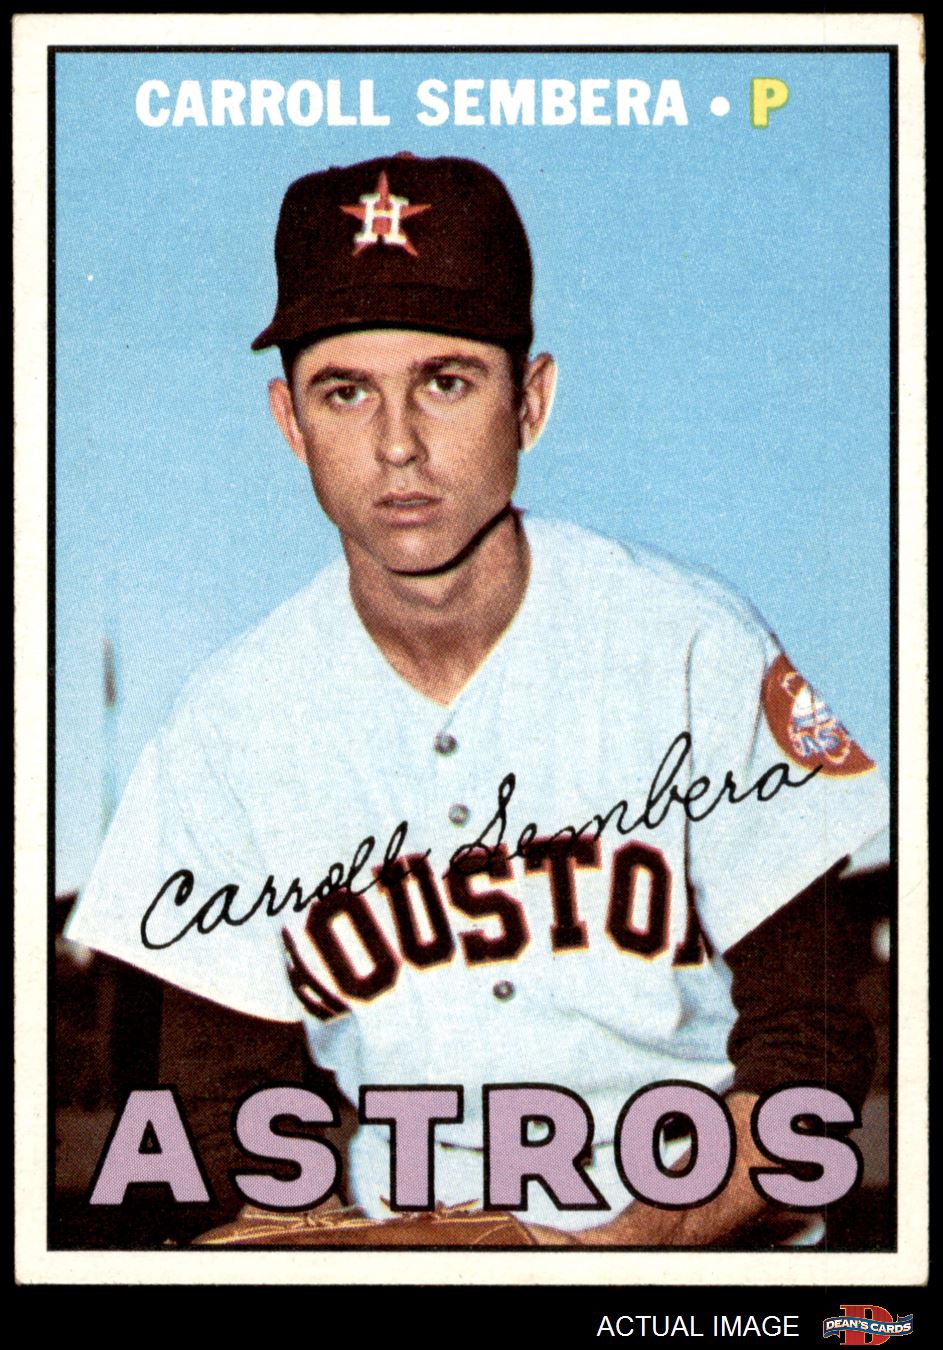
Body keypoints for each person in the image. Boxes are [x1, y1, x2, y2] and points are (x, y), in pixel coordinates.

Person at [66, 152, 889, 1247]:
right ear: (289, 422)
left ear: (529, 402)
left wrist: (616, 1258)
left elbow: (812, 1042)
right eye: (346, 391)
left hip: (693, 1266)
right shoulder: (229, 725)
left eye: (445, 382)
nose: (397, 443)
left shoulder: (690, 646)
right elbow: (219, 1114)